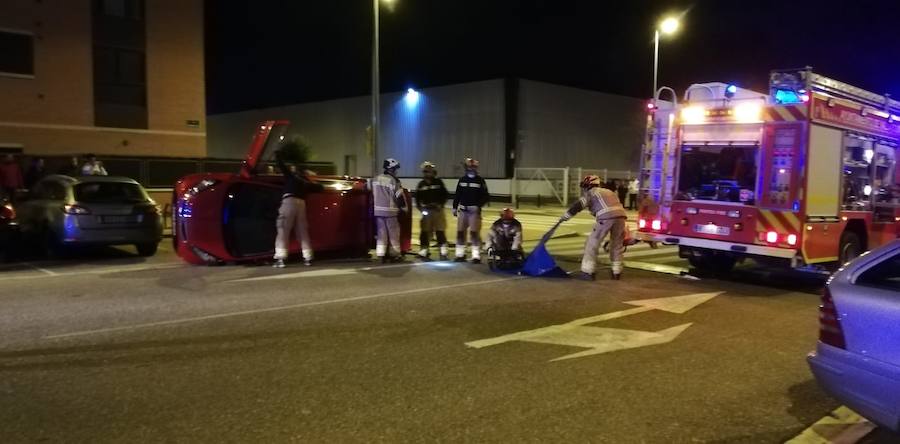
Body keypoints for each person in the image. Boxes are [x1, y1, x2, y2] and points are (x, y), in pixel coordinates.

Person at [559, 174, 627, 280]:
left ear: (589, 185)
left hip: (605, 218)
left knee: (592, 243)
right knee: (616, 244)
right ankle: (617, 271)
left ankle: (588, 271)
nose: (584, 189)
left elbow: (579, 205)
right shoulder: (609, 192)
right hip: (621, 218)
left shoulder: (592, 192)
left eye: (585, 186)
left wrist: (566, 216)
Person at [272, 150, 324, 268]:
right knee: (302, 232)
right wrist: (313, 180)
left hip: (289, 202)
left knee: (283, 230)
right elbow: (320, 187)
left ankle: (280, 259)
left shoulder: (291, 177)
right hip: (301, 205)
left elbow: (282, 166)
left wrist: (277, 155)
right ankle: (308, 258)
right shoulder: (306, 183)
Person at [453, 157, 489, 263]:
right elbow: (458, 194)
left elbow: (486, 196)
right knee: (460, 232)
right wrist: (455, 207)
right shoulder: (462, 180)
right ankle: (460, 254)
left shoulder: (480, 181)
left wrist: (478, 206)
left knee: (474, 233)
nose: (471, 168)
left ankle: (476, 255)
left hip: (474, 211)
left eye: (473, 167)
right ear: (466, 167)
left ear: (476, 168)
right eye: (469, 166)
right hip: (463, 210)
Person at [373, 158, 408, 263]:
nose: (396, 171)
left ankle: (380, 254)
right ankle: (395, 254)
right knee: (394, 234)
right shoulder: (394, 180)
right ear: (391, 169)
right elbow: (399, 197)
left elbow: (368, 188)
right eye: (395, 169)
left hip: (378, 212)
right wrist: (404, 209)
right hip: (390, 212)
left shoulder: (376, 178)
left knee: (381, 234)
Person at [415, 161, 449, 261]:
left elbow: (445, 195)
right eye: (426, 171)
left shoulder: (438, 182)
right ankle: (424, 250)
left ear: (433, 172)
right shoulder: (421, 184)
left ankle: (443, 252)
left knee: (440, 231)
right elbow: (417, 199)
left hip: (438, 211)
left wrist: (441, 205)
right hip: (426, 211)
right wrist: (421, 208)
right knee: (424, 232)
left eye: (429, 171)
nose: (427, 173)